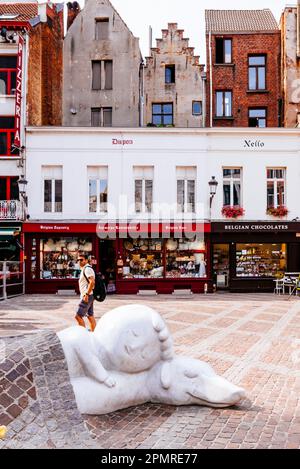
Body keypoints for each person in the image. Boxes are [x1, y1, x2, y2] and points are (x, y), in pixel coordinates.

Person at [75, 253, 96, 331]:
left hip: (87, 296)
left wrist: (86, 294)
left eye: (81, 260)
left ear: (86, 260)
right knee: (90, 315)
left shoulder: (87, 269)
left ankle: (83, 336)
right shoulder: (84, 269)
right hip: (89, 295)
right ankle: (94, 333)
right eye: (78, 260)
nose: (79, 261)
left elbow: (92, 282)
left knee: (78, 316)